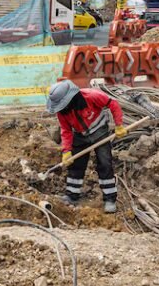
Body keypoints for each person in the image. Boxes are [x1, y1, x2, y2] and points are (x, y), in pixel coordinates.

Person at [46, 80, 127, 214]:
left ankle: (110, 199)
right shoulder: (62, 112)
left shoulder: (92, 96)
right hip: (80, 135)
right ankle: (72, 196)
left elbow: (113, 104)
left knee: (105, 163)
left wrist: (119, 125)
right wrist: (66, 151)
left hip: (100, 131)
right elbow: (66, 130)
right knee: (76, 165)